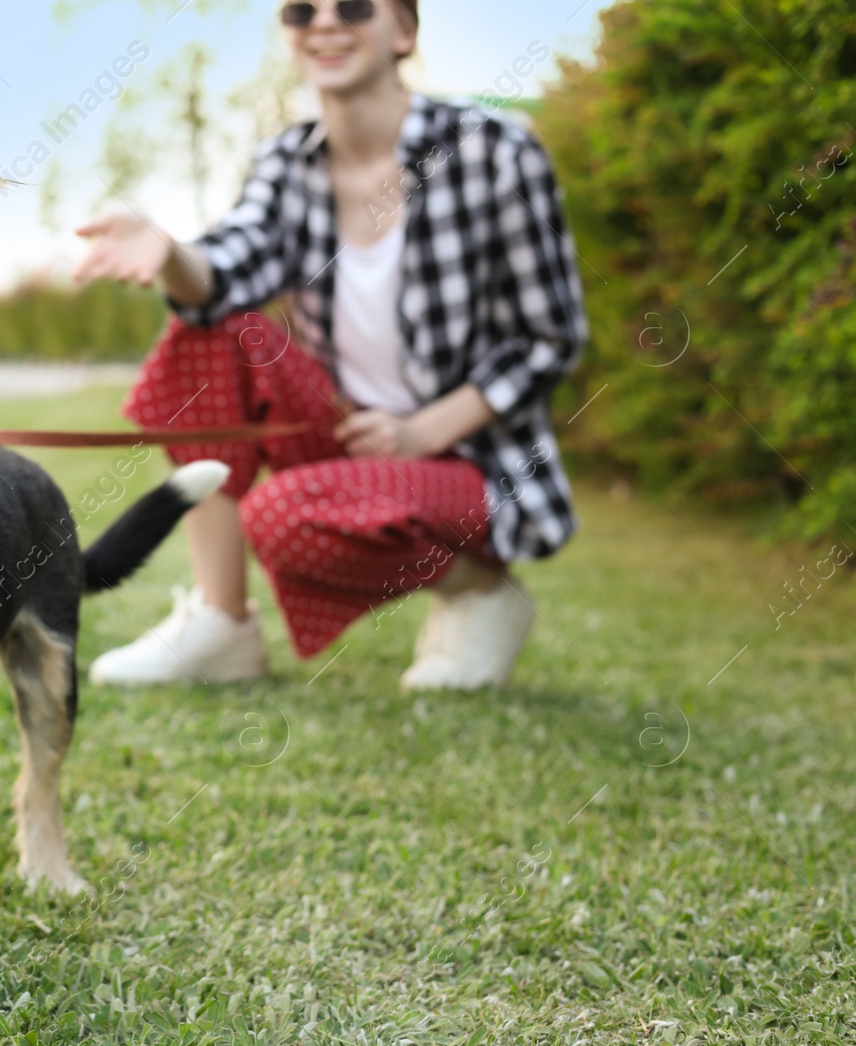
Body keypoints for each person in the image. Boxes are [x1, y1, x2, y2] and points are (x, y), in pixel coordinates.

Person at [74, 0, 587, 689]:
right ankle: (221, 623)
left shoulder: (496, 149)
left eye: (352, 6)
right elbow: (225, 270)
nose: (322, 22)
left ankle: (480, 591)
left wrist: (418, 431)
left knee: (281, 516)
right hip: (345, 432)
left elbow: (551, 337)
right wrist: (169, 251)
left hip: (472, 460)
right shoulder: (288, 160)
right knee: (205, 331)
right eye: (299, 10)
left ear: (403, 31)